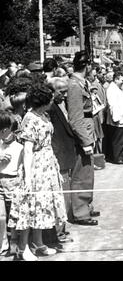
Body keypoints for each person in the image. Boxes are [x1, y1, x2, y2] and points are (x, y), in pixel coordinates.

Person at [8, 83, 67, 261]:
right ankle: (23, 247)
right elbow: (27, 150)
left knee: (43, 206)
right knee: (29, 206)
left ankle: (39, 243)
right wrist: (27, 176)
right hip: (36, 167)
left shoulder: (44, 115)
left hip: (47, 166)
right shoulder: (30, 118)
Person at [66, 51, 99, 226]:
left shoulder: (81, 83)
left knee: (88, 173)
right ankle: (80, 212)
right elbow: (75, 118)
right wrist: (85, 141)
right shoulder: (74, 85)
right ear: (87, 66)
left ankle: (86, 205)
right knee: (80, 174)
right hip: (82, 135)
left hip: (87, 131)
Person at [48, 78, 77, 243]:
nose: (65, 95)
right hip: (59, 157)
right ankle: (58, 233)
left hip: (65, 155)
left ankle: (61, 230)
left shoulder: (59, 105)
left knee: (65, 196)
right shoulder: (50, 109)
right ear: (53, 91)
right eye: (62, 92)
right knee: (61, 198)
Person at [0, 112, 22, 256]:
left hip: (14, 182)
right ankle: (3, 244)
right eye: (0, 130)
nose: (3, 134)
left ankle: (15, 242)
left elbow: (22, 168)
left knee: (14, 215)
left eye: (6, 129)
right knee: (1, 215)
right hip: (0, 182)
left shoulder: (19, 147)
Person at [106, 72, 123, 164]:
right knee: (119, 140)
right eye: (121, 80)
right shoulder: (111, 89)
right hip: (118, 119)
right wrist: (116, 117)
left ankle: (122, 156)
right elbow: (112, 105)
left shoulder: (117, 88)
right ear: (116, 79)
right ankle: (118, 158)